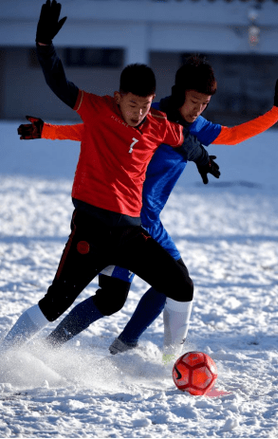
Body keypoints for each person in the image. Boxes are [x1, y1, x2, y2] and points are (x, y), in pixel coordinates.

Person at [17, 52, 278, 360]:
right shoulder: (149, 115)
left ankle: (104, 345)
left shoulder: (195, 126)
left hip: (147, 220)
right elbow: (93, 131)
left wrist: (275, 113)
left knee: (120, 296)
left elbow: (233, 135)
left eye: (205, 104)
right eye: (193, 100)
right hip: (130, 218)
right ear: (178, 93)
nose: (197, 109)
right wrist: (49, 131)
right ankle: (118, 346)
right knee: (155, 287)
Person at [1, 1, 219, 358]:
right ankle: (5, 357)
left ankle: (170, 363)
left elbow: (186, 141)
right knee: (54, 304)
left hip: (130, 235)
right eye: (133, 104)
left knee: (181, 285)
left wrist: (203, 160)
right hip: (91, 229)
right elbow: (58, 82)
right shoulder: (97, 109)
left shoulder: (157, 125)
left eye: (146, 105)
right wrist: (44, 46)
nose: (140, 113)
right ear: (119, 97)